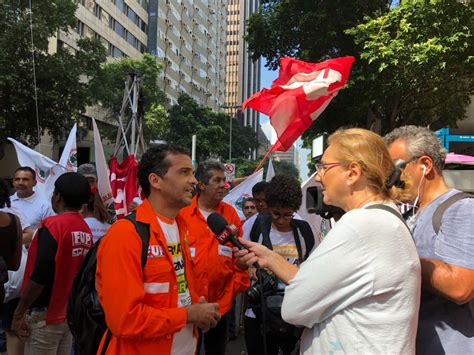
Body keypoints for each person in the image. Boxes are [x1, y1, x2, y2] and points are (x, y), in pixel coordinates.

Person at [235, 128, 421, 354]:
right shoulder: (383, 218)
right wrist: (271, 257)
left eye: (324, 167)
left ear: (352, 172)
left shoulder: (360, 225)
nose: (319, 176)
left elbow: (294, 307)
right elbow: (314, 284)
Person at [96, 144, 221, 354]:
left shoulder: (183, 228)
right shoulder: (125, 235)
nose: (193, 180)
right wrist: (189, 315)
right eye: (184, 172)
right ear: (155, 181)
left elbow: (177, 291)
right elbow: (124, 320)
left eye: (193, 173)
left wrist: (199, 310)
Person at [385, 125, 474, 354]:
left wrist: (400, 257)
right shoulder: (409, 214)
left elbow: (461, 286)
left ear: (425, 164)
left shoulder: (461, 208)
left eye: (396, 167)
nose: (392, 178)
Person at [11, 172, 93, 355]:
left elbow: (42, 273)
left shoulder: (53, 225)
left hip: (45, 314)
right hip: (68, 313)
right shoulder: (84, 227)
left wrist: (19, 311)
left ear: (58, 197)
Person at [180, 159, 249, 355]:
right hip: (188, 308)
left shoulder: (230, 215)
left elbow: (239, 256)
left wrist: (230, 293)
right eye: (217, 180)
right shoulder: (182, 214)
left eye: (224, 180)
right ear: (201, 184)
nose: (223, 185)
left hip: (221, 306)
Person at [242, 175, 315, 355]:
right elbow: (237, 261)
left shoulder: (305, 230)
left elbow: (315, 269)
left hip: (294, 312)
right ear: (269, 207)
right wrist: (248, 265)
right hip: (259, 313)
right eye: (276, 213)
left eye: (287, 214)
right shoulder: (254, 225)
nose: (281, 220)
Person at [10, 167, 55, 233]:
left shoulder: (44, 206)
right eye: (17, 179)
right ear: (13, 182)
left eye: (25, 179)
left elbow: (50, 232)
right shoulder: (4, 203)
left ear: (34, 183)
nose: (20, 182)